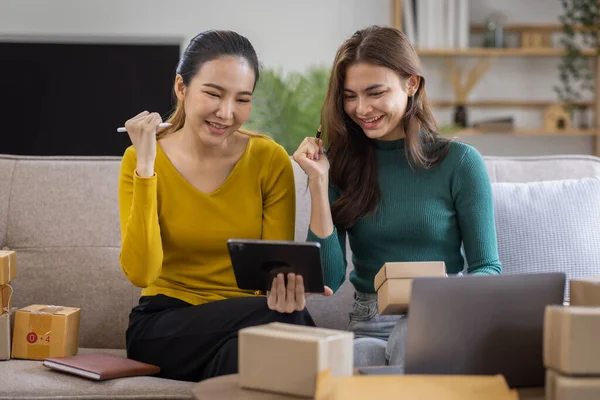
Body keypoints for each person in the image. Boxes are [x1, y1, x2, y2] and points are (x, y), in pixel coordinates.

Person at [119, 30, 329, 382]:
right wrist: (145, 167)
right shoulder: (140, 160)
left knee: (240, 358)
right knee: (287, 324)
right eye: (213, 94)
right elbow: (141, 273)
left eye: (242, 99)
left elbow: (269, 278)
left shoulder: (268, 159)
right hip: (162, 326)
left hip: (244, 324)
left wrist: (288, 288)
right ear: (182, 88)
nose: (227, 113)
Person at [293, 25, 502, 368]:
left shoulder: (460, 162)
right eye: (349, 96)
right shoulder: (339, 167)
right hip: (367, 321)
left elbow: (487, 268)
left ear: (411, 83)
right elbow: (327, 281)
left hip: (438, 315)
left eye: (375, 92)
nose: (361, 108)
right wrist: (318, 183)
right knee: (359, 358)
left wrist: (438, 294)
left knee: (410, 337)